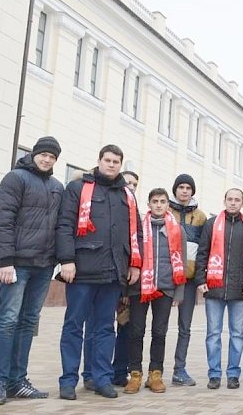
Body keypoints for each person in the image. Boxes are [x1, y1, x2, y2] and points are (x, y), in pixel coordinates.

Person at [56, 144, 142, 400]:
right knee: (74, 326)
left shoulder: (127, 194)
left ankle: (102, 379)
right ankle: (68, 381)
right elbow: (65, 224)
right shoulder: (78, 188)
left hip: (114, 272)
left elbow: (135, 232)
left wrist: (135, 263)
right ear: (99, 160)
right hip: (81, 270)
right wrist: (66, 259)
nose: (112, 164)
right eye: (108, 160)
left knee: (106, 328)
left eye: (116, 161)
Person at [0, 136, 63, 404]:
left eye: (52, 156)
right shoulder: (15, 178)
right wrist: (4, 261)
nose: (47, 159)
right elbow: (3, 219)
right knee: (7, 321)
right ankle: (1, 380)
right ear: (35, 154)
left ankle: (18, 380)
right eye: (43, 154)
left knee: (27, 322)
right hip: (17, 264)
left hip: (43, 265)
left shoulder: (58, 186)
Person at [195, 188, 243, 390]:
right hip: (214, 288)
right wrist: (200, 280)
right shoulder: (211, 225)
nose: (233, 203)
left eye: (237, 200)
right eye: (230, 199)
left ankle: (233, 374)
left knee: (237, 334)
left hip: (240, 290)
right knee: (213, 334)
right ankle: (214, 374)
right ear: (224, 201)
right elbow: (202, 254)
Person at [124, 188, 186, 394]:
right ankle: (134, 374)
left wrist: (179, 292)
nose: (159, 205)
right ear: (148, 204)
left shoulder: (177, 229)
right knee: (136, 331)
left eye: (162, 201)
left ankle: (155, 374)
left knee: (159, 332)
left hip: (166, 287)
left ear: (168, 204)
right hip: (139, 287)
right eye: (155, 201)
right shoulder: (138, 228)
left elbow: (183, 261)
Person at [81, 170, 139, 390]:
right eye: (128, 182)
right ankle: (89, 373)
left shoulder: (134, 209)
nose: (131, 186)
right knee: (94, 325)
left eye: (135, 183)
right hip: (101, 273)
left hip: (124, 278)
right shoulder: (105, 202)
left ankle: (115, 371)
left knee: (120, 327)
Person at [169, 173, 207, 386]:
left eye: (188, 188)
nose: (184, 191)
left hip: (189, 280)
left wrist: (200, 277)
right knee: (160, 326)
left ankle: (179, 369)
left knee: (185, 326)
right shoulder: (165, 211)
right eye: (180, 187)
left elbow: (202, 250)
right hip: (167, 279)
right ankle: (154, 369)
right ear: (175, 189)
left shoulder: (200, 217)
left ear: (192, 191)